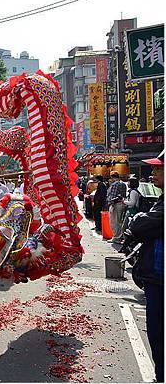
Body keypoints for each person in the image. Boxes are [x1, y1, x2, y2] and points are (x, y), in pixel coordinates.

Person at [129, 151, 163, 382]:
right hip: (155, 275)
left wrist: (138, 221)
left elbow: (142, 225)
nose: (153, 174)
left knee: (159, 331)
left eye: (159, 169)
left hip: (160, 275)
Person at [107, 171, 127, 243]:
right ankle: (119, 237)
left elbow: (113, 196)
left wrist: (111, 203)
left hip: (115, 204)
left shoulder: (115, 184)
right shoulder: (123, 184)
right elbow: (123, 195)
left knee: (114, 222)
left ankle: (116, 238)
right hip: (121, 204)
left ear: (112, 177)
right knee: (119, 221)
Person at [120, 177, 140, 243]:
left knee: (125, 228)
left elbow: (132, 203)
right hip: (131, 211)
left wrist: (124, 201)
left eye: (129, 182)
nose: (128, 183)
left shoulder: (133, 192)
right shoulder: (134, 191)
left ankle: (127, 243)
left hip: (131, 211)